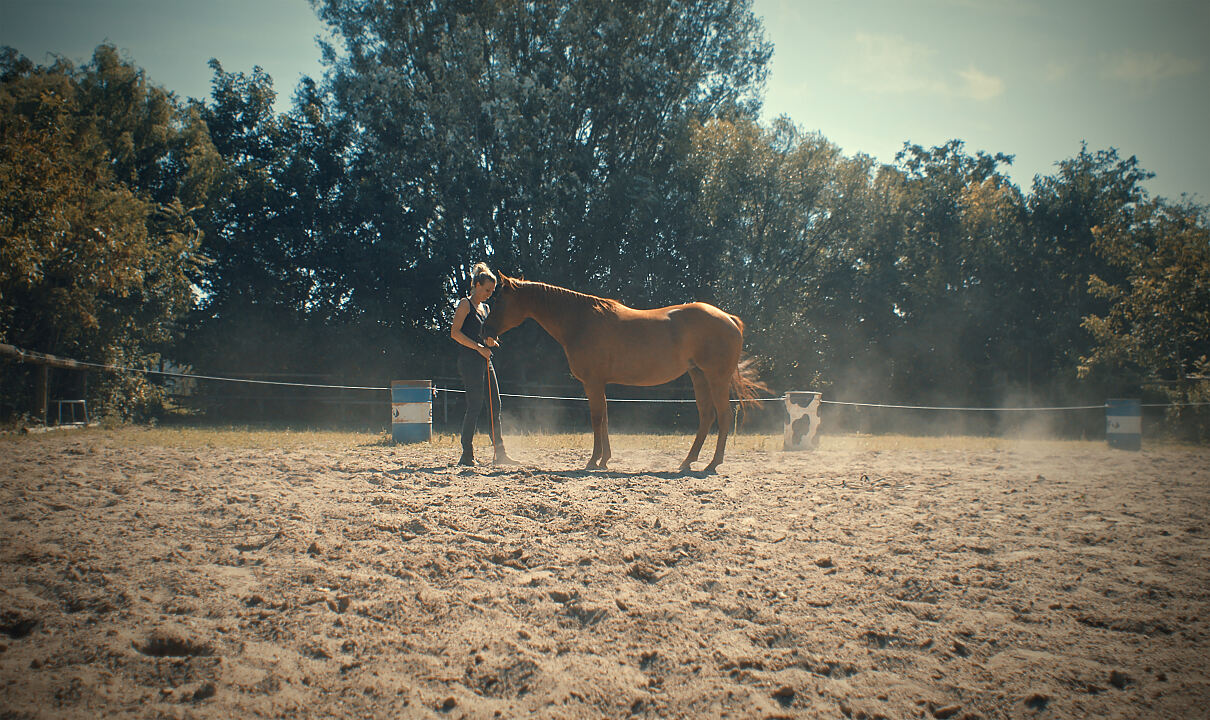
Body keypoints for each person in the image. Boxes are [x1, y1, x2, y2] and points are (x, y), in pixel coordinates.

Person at [450, 262, 516, 466]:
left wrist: (489, 342)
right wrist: (478, 347)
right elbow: (455, 333)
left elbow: (483, 334)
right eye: (487, 289)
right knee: (475, 406)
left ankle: (500, 453)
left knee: (495, 405)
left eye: (492, 291)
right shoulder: (464, 305)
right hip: (470, 361)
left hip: (485, 360)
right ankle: (467, 454)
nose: (489, 294)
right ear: (477, 285)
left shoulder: (485, 308)